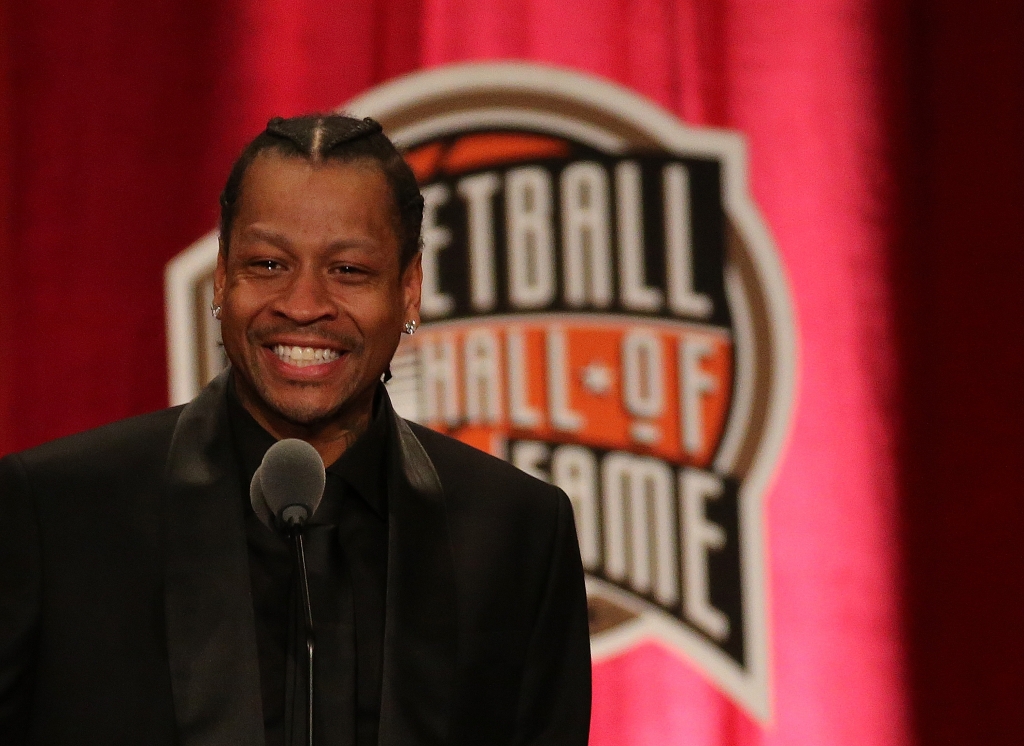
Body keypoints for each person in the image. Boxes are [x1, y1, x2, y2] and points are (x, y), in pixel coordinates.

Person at [0, 114, 592, 746]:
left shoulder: (515, 532)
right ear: (223, 276)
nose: (304, 304)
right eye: (269, 263)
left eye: (349, 271)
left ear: (411, 288)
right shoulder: (58, 514)